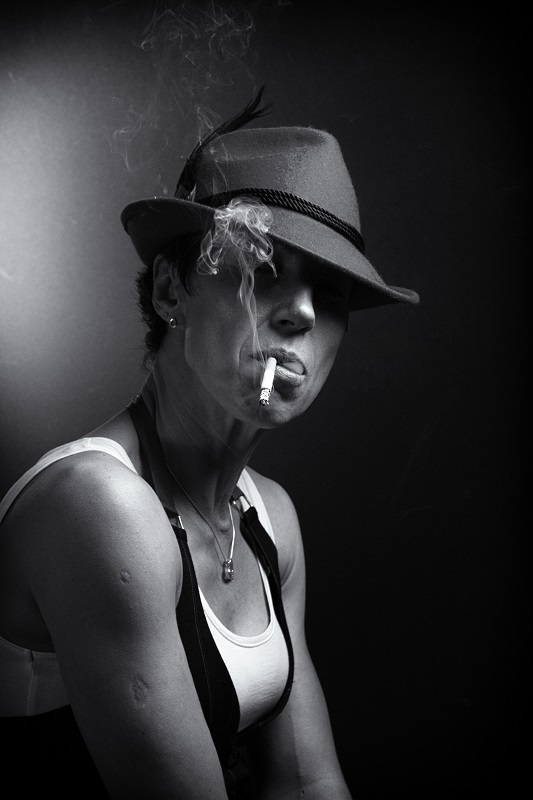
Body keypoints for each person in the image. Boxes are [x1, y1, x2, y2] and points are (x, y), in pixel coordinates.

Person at [0, 91, 419, 799]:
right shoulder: (99, 506)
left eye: (333, 294)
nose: (302, 312)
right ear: (172, 288)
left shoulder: (269, 519)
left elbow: (306, 784)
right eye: (265, 269)